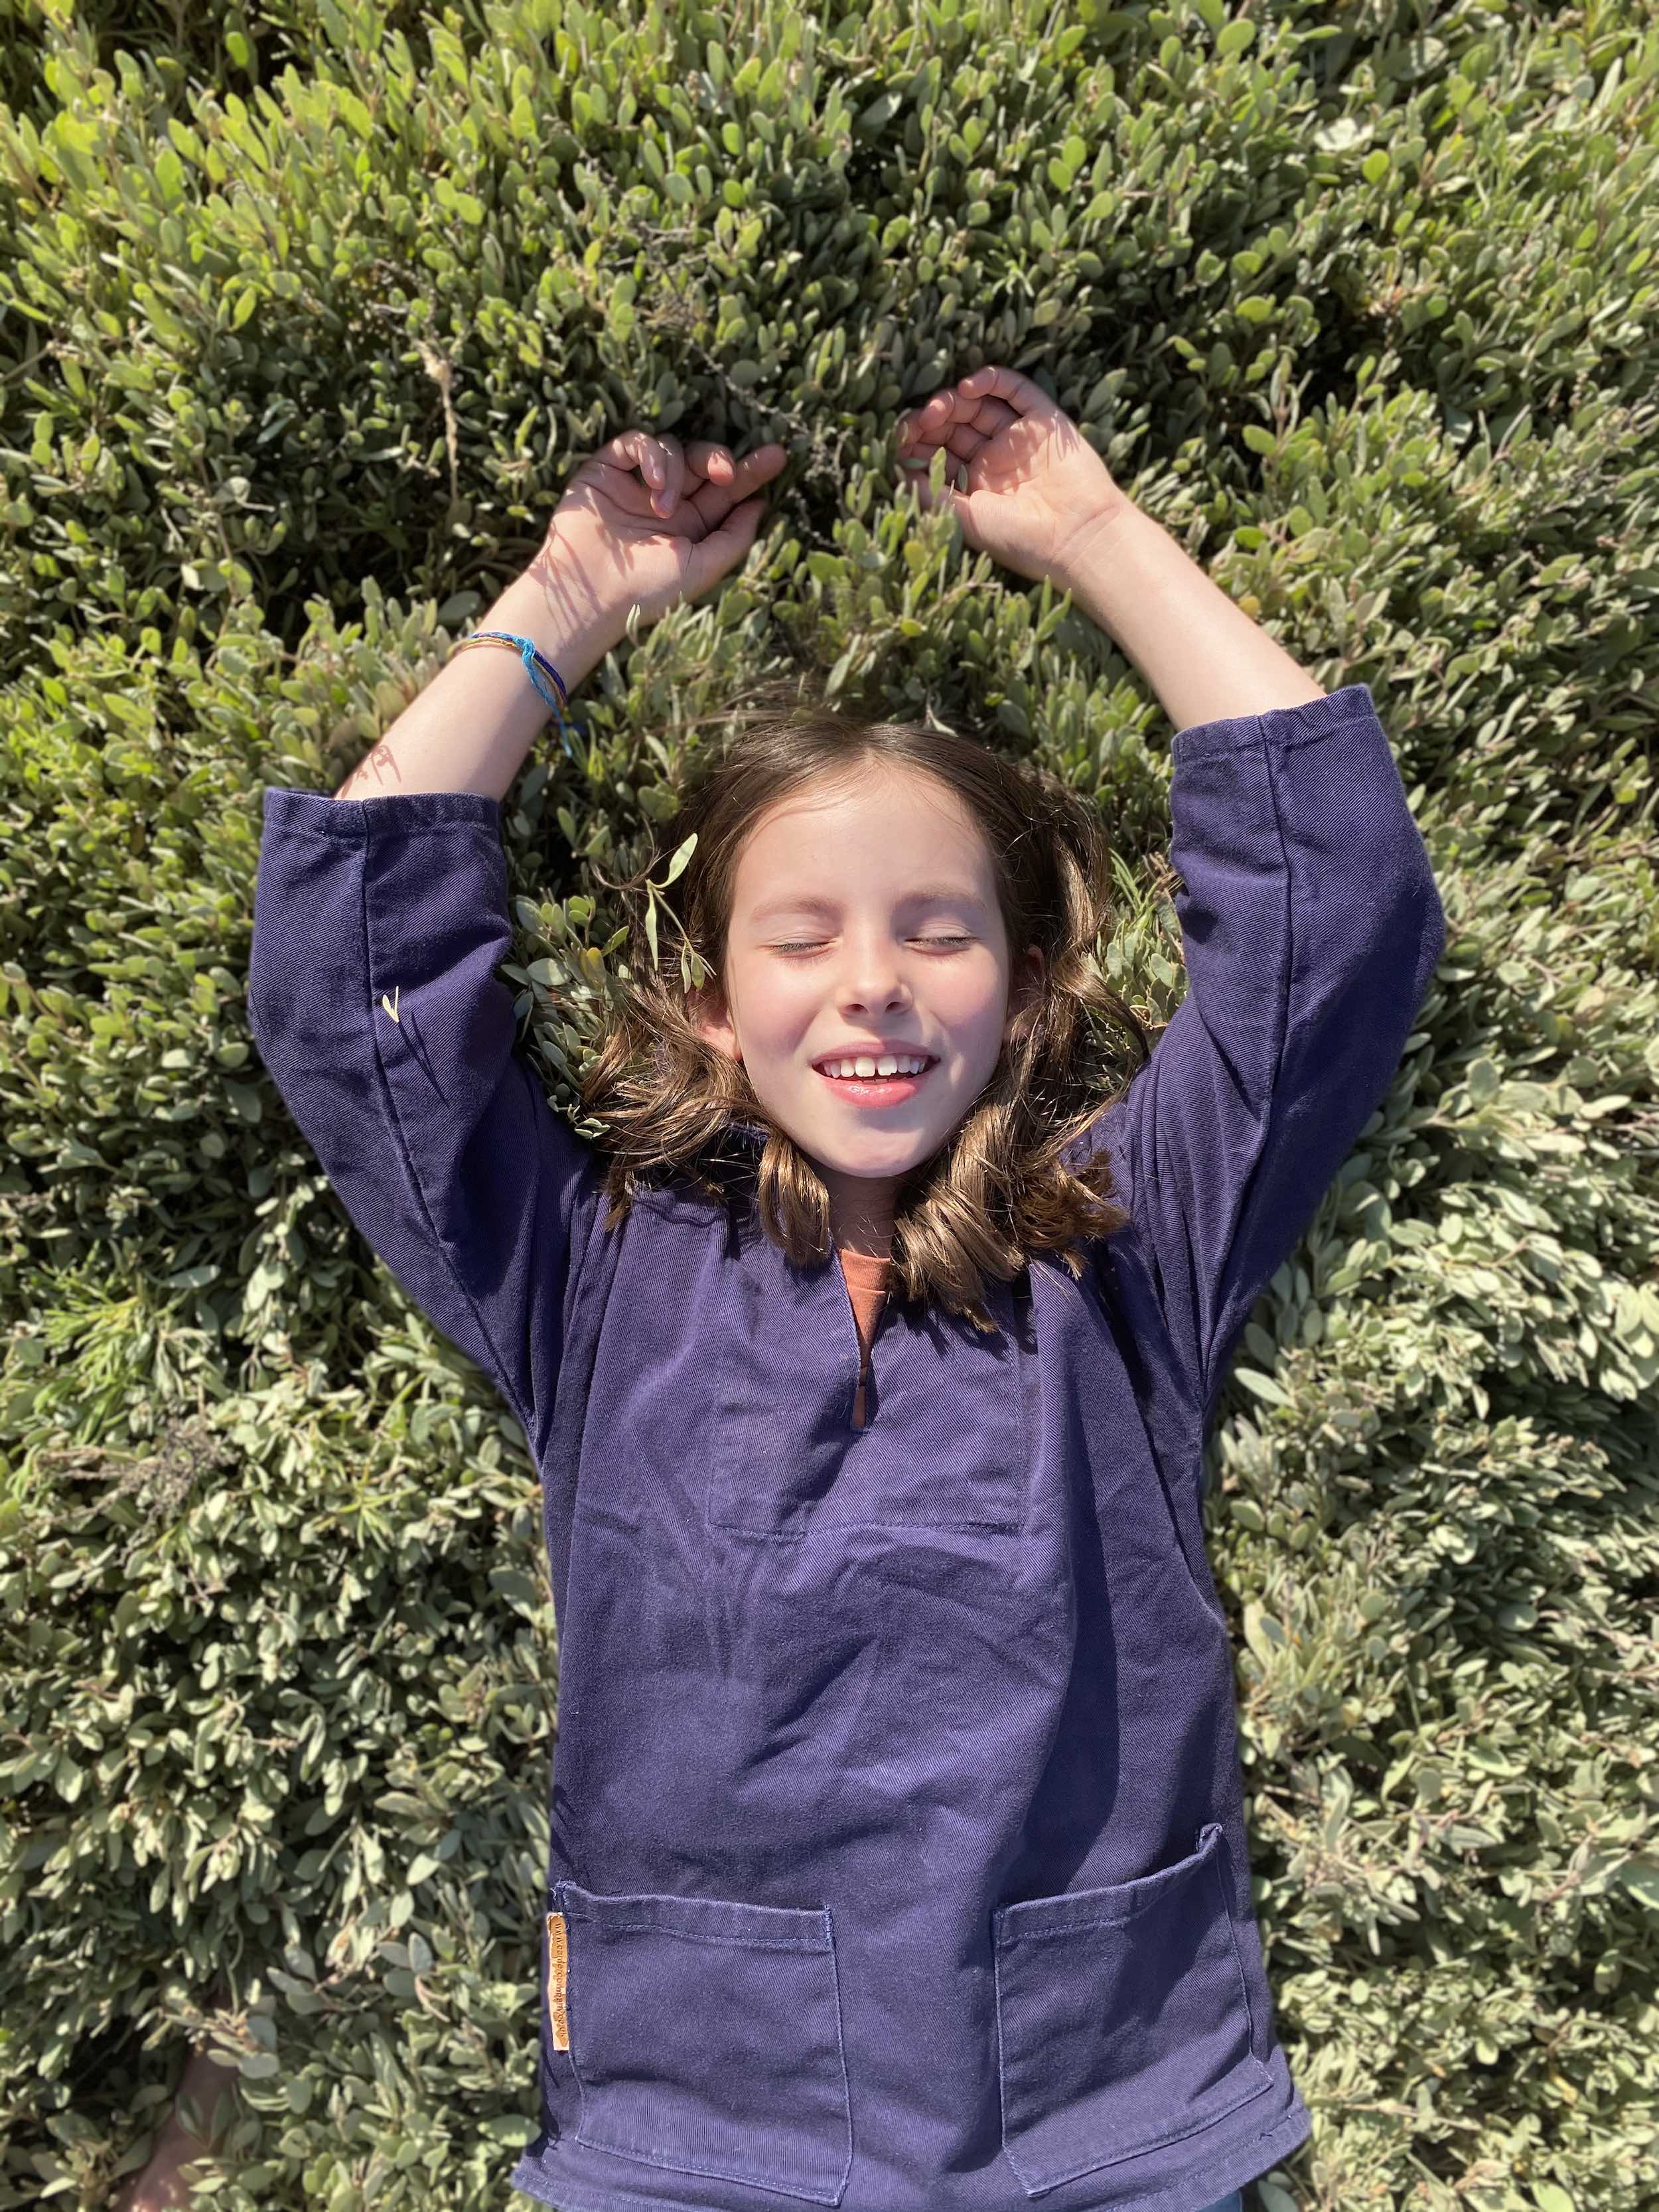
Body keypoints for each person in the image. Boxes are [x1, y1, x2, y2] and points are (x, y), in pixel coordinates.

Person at [234, 366, 1446, 2212]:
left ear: (1026, 988)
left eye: (937, 931)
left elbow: (1337, 906)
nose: (870, 982)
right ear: (715, 997)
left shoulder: (1124, 1235)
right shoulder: (590, 1266)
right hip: (695, 2120)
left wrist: (1095, 537)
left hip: (1103, 2113)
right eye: (798, 936)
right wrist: (568, 597)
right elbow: (347, 989)